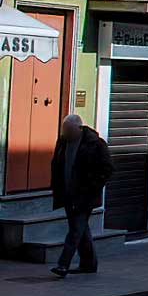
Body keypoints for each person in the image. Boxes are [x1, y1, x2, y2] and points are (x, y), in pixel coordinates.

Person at [49, 114, 112, 278]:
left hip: (85, 196)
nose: (66, 133)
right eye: (64, 130)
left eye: (69, 130)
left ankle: (63, 265)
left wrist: (92, 186)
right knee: (81, 229)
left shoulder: (95, 144)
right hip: (67, 194)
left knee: (75, 230)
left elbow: (107, 169)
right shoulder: (62, 142)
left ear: (78, 128)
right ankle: (89, 264)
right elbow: (56, 164)